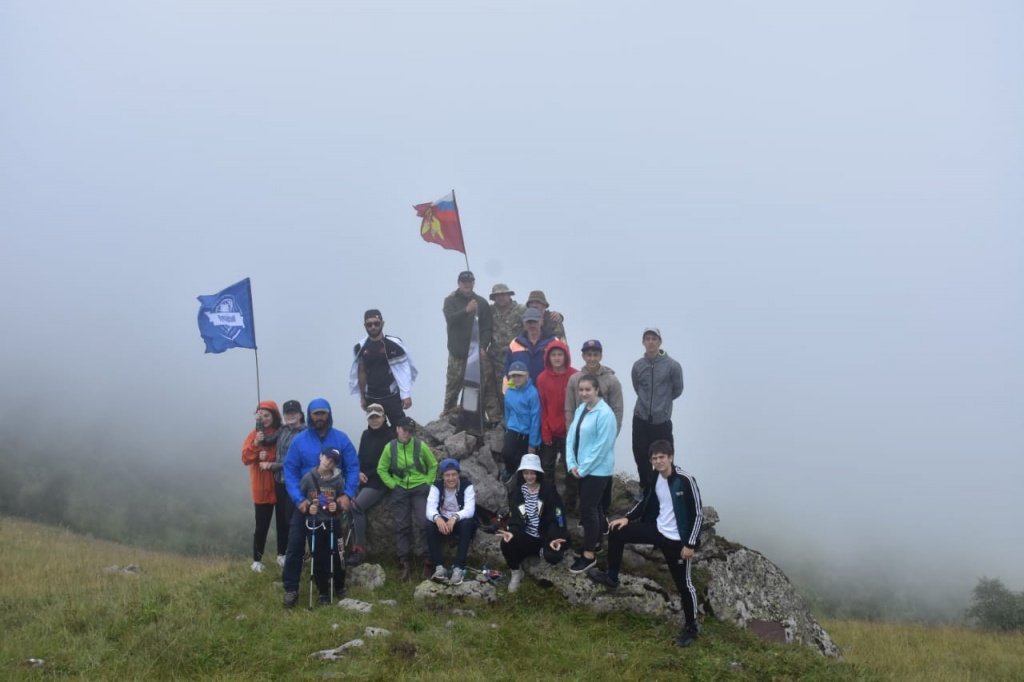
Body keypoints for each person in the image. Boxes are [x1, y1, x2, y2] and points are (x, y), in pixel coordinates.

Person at [587, 440, 704, 648]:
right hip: (657, 530)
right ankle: (611, 577)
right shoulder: (655, 477)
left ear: (671, 457)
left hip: (677, 541)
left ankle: (691, 627)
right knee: (617, 531)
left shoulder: (685, 480)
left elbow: (697, 513)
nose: (658, 461)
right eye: (654, 458)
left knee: (684, 584)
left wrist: (690, 544)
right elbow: (646, 501)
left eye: (662, 457)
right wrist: (628, 518)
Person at [280, 398, 360, 609]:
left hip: (333, 503)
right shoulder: (299, 441)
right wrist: (300, 501)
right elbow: (289, 471)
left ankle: (334, 585)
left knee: (333, 547)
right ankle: (291, 588)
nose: (319, 417)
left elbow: (353, 467)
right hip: (306, 502)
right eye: (315, 413)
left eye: (323, 413)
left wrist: (347, 495)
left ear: (329, 414)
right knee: (296, 543)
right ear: (309, 415)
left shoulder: (341, 439)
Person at [565, 339, 624, 514]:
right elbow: (569, 407)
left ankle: (603, 516)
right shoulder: (575, 379)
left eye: (595, 354)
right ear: (583, 356)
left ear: (600, 356)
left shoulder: (611, 380)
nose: (591, 358)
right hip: (580, 437)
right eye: (588, 354)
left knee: (601, 482)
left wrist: (610, 437)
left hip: (601, 438)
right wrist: (572, 434)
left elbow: (617, 410)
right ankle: (577, 513)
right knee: (577, 479)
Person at [565, 375, 617, 574]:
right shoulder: (581, 409)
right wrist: (571, 464)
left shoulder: (605, 414)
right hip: (580, 469)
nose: (584, 393)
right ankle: (595, 543)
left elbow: (602, 447)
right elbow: (571, 437)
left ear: (597, 390)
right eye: (581, 390)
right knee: (593, 508)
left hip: (597, 471)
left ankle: (589, 556)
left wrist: (583, 469)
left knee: (589, 509)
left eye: (588, 389)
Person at [377, 416, 439, 582]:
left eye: (410, 431)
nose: (407, 433)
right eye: (404, 430)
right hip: (400, 489)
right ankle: (403, 562)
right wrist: (393, 485)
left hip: (420, 488)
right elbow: (381, 469)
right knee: (402, 526)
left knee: (424, 523)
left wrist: (428, 482)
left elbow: (433, 465)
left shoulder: (420, 445)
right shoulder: (390, 448)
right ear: (397, 428)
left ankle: (428, 561)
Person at [496, 454, 568, 592]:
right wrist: (512, 532)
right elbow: (515, 517)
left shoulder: (548, 491)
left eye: (532, 473)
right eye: (526, 473)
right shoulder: (519, 492)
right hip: (526, 535)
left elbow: (557, 516)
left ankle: (544, 550)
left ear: (538, 473)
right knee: (506, 543)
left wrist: (554, 538)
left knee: (554, 556)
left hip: (545, 536)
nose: (529, 476)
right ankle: (516, 572)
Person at [631, 327, 684, 493]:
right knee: (641, 454)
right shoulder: (638, 366)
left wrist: (663, 405)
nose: (651, 342)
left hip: (662, 420)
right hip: (640, 417)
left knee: (664, 456)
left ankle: (667, 490)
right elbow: (637, 387)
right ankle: (646, 489)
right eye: (647, 339)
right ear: (643, 342)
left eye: (654, 338)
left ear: (660, 341)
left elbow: (678, 389)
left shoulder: (672, 366)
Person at [349, 308, 417, 426]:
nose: (373, 327)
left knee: (401, 427)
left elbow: (404, 370)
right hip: (372, 396)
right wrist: (362, 397)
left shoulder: (393, 344)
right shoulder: (360, 347)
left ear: (382, 323)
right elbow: (361, 371)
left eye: (376, 323)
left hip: (391, 396)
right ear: (365, 326)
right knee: (377, 430)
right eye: (369, 324)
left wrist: (406, 395)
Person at [299, 448, 350, 605]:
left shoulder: (338, 479)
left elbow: (343, 498)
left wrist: (338, 506)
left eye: (333, 461)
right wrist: (308, 508)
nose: (329, 462)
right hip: (315, 524)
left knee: (338, 554)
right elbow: (300, 498)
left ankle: (339, 586)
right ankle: (323, 592)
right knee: (318, 556)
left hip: (333, 522)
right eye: (327, 458)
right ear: (320, 456)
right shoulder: (308, 478)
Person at [348, 403, 396, 566]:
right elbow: (360, 457)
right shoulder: (365, 435)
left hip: (380, 481)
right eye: (371, 417)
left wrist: (365, 475)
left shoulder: (391, 436)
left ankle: (360, 550)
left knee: (357, 507)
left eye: (377, 416)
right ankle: (353, 546)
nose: (374, 420)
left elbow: (388, 465)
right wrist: (358, 473)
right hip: (364, 479)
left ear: (384, 417)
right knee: (347, 506)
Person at [441, 271, 493, 421]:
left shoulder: (481, 303)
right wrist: (466, 310)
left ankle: (471, 418)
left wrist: (483, 346)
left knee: (472, 388)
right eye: (463, 281)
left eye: (469, 281)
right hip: (456, 354)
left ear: (474, 283)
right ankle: (446, 419)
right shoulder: (450, 301)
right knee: (452, 388)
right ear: (458, 283)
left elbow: (487, 328)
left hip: (474, 356)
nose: (466, 284)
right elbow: (450, 319)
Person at [240, 400, 283, 573]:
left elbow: (284, 455)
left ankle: (282, 554)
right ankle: (257, 560)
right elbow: (245, 458)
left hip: (280, 485)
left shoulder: (281, 434)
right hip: (261, 487)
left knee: (283, 523)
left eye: (268, 415)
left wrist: (269, 456)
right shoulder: (254, 435)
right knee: (261, 525)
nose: (265, 419)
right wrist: (257, 445)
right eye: (261, 416)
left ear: (274, 416)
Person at [535, 340, 577, 502]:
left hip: (569, 431)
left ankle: (571, 503)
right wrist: (545, 432)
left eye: (560, 354)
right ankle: (549, 500)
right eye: (553, 355)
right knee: (547, 467)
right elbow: (543, 407)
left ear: (566, 356)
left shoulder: (575, 375)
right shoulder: (542, 378)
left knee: (570, 468)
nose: (557, 358)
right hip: (550, 431)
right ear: (548, 357)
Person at [264, 399, 304, 567]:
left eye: (294, 412)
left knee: (293, 520)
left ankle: (297, 555)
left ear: (301, 414)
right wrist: (259, 423)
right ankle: (282, 554)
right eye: (287, 413)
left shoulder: (305, 433)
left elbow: (296, 461)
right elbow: (266, 440)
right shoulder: (282, 430)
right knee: (281, 519)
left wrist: (272, 465)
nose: (290, 415)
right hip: (279, 481)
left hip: (295, 483)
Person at [425, 458, 476, 586]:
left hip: (459, 521)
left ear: (458, 474)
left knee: (467, 524)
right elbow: (430, 508)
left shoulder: (466, 485)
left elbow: (470, 509)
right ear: (442, 476)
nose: (451, 478)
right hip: (442, 520)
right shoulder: (436, 486)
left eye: (454, 474)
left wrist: (455, 517)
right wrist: (437, 518)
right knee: (429, 525)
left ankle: (459, 567)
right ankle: (439, 567)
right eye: (447, 475)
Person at [484, 283, 521, 423]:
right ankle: (498, 421)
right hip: (495, 358)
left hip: (515, 359)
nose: (501, 298)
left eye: (503, 294)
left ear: (509, 295)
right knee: (499, 390)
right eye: (497, 295)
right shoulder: (489, 311)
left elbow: (538, 315)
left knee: (514, 389)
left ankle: (515, 420)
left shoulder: (521, 310)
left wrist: (558, 315)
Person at [500, 361, 541, 483]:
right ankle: (510, 469)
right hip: (513, 429)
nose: (517, 378)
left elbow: (535, 418)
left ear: (527, 375)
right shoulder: (509, 391)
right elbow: (507, 411)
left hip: (527, 433)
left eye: (520, 375)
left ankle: (521, 486)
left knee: (526, 462)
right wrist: (508, 427)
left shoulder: (533, 393)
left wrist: (533, 444)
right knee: (506, 453)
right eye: (514, 376)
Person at [504, 307, 554, 383]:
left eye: (535, 322)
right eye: (529, 322)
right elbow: (508, 371)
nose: (532, 325)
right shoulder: (515, 344)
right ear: (524, 323)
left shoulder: (553, 343)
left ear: (541, 322)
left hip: (547, 392)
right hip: (522, 392)